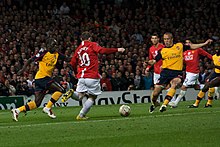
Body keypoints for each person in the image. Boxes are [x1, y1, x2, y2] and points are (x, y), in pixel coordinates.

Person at [61, 31, 125, 120]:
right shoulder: (92, 44)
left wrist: (76, 73)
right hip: (92, 76)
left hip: (82, 76)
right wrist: (117, 49)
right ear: (89, 38)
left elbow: (72, 63)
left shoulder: (78, 49)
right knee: (92, 97)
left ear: (81, 39)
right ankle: (81, 115)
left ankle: (70, 92)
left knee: (79, 96)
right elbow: (102, 50)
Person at [148, 32, 212, 113]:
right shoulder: (162, 50)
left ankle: (164, 104)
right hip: (165, 73)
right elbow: (155, 60)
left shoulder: (179, 46)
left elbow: (192, 46)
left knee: (175, 83)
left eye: (168, 39)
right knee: (155, 93)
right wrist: (150, 62)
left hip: (176, 72)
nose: (166, 41)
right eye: (165, 39)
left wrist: (204, 43)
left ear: (172, 39)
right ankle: (155, 103)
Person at [11, 38, 69, 121]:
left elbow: (67, 59)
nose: (55, 46)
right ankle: (48, 108)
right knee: (61, 89)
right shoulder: (43, 53)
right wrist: (23, 70)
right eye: (53, 45)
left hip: (41, 79)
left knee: (36, 103)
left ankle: (17, 110)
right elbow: (31, 59)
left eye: (56, 45)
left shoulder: (57, 54)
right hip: (42, 78)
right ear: (48, 45)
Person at [168, 39, 212, 108]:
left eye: (189, 43)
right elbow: (183, 62)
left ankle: (175, 103)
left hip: (193, 72)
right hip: (188, 72)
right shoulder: (184, 52)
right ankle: (211, 87)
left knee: (184, 87)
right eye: (186, 43)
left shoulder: (197, 50)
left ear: (192, 44)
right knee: (196, 87)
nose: (188, 44)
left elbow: (207, 54)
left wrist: (215, 59)